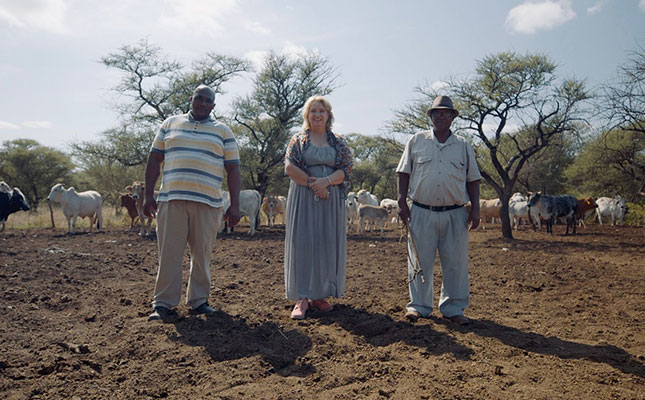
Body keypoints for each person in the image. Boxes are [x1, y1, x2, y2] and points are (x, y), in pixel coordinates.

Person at [143, 84, 241, 321]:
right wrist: (148, 195)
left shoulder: (223, 131)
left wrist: (235, 204)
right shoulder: (170, 124)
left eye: (209, 101)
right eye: (200, 99)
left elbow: (233, 168)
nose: (203, 104)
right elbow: (154, 159)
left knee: (202, 253)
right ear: (191, 99)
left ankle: (199, 301)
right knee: (169, 253)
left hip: (208, 202)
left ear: (214, 105)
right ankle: (163, 303)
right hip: (172, 198)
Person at [396, 95, 481, 325]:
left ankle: (453, 307)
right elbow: (403, 172)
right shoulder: (416, 141)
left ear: (453, 117)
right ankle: (418, 307)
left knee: (455, 262)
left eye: (446, 113)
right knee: (419, 261)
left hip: (455, 212)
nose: (441, 116)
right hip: (421, 211)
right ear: (430, 116)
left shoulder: (463, 145)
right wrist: (402, 201)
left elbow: (473, 179)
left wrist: (476, 209)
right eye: (437, 113)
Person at [284, 95, 353, 319]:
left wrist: (327, 182)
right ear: (307, 115)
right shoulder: (298, 140)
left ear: (328, 115)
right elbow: (289, 167)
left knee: (325, 245)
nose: (317, 115)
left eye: (321, 111)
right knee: (303, 244)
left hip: (330, 200)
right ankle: (301, 298)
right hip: (304, 198)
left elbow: (346, 168)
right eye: (313, 111)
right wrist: (315, 185)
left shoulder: (338, 141)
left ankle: (319, 295)